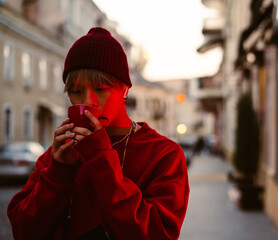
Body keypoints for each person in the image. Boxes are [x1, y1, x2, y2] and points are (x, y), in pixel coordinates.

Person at [7, 27, 190, 240]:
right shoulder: (60, 153)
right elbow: (23, 231)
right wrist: (58, 171)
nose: (87, 101)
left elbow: (157, 234)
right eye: (76, 91)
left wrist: (101, 157)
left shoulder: (163, 154)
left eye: (101, 88)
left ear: (125, 89)